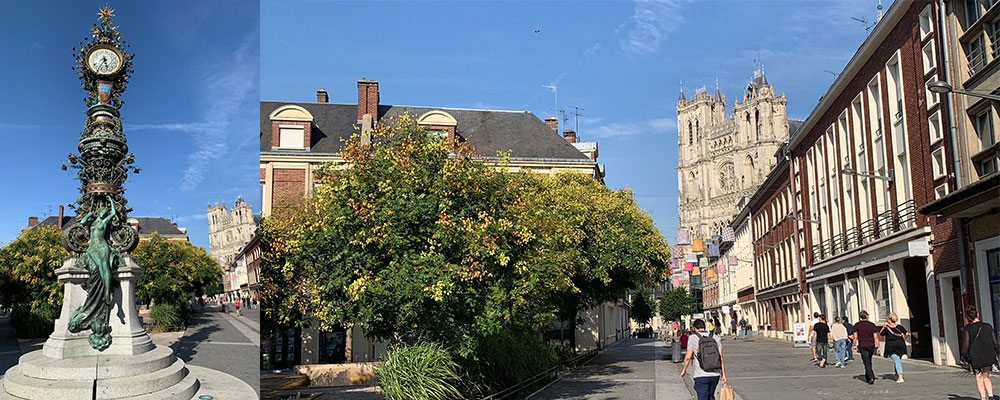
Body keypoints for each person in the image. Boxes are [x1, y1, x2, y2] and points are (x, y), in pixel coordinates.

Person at [680, 319, 727, 400]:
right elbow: (720, 357)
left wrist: (684, 369)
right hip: (715, 375)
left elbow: (688, 357)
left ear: (694, 328)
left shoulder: (693, 338)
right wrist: (723, 375)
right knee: (711, 396)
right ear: (704, 327)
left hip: (701, 375)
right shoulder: (715, 337)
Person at [961, 306, 1000, 400]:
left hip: (975, 357)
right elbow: (995, 342)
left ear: (968, 317)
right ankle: (991, 396)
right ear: (977, 314)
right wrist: (996, 352)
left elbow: (966, 345)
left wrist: (964, 356)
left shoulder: (967, 329)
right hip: (987, 355)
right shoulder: (987, 326)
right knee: (986, 376)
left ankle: (983, 398)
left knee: (979, 377)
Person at [852, 310, 880, 384]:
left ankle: (871, 377)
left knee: (866, 362)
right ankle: (868, 377)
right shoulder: (872, 325)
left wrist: (854, 345)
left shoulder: (857, 325)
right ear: (866, 316)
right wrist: (878, 346)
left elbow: (855, 336)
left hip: (862, 345)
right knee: (868, 361)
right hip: (871, 345)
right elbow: (876, 336)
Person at [880, 312, 908, 383]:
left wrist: (883, 327)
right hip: (901, 345)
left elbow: (881, 334)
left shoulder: (887, 328)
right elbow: (907, 333)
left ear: (889, 319)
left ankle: (900, 376)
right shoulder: (900, 327)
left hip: (892, 346)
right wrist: (904, 338)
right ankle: (896, 374)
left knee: (896, 360)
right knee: (897, 359)